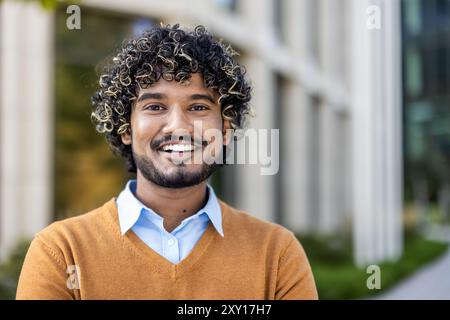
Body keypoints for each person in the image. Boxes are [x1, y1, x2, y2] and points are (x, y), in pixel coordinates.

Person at [16, 24, 317, 300]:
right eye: (155, 106)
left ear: (225, 130)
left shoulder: (277, 254)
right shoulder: (61, 252)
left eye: (198, 106)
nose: (178, 126)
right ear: (125, 129)